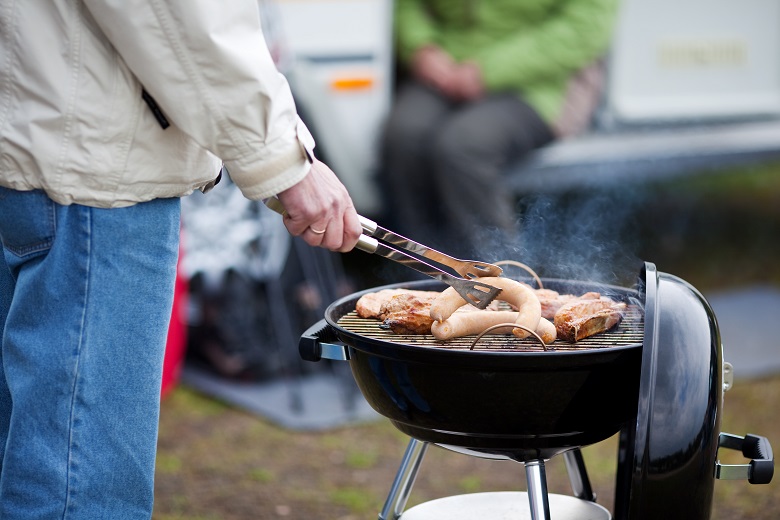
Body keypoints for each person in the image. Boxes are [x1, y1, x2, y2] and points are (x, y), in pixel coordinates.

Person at [0, 1, 361, 518]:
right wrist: (285, 159)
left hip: (32, 161)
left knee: (24, 450)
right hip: (97, 178)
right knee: (78, 489)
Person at [381, 0, 619, 257]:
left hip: (541, 81)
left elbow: (584, 28)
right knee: (404, 136)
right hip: (446, 66)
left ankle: (500, 278)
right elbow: (408, 6)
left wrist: (488, 71)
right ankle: (423, 274)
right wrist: (421, 48)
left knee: (464, 144)